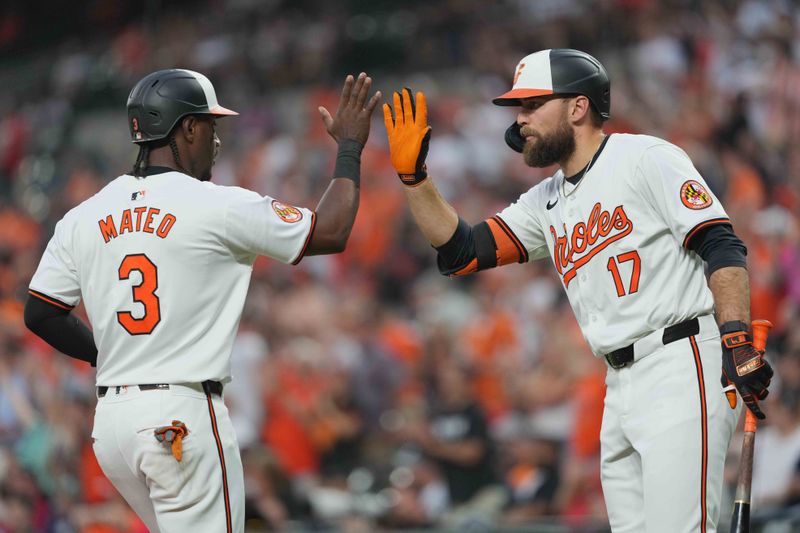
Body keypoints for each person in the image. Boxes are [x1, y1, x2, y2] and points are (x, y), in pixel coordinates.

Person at [383, 48, 774, 532]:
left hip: (681, 359)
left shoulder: (645, 157)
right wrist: (414, 180)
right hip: (618, 381)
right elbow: (462, 252)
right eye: (518, 109)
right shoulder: (545, 199)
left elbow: (721, 245)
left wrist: (735, 336)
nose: (520, 119)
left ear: (577, 107)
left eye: (531, 105)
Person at [23, 68, 381, 532]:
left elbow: (41, 311)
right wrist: (350, 148)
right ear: (188, 128)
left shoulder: (83, 215)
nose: (216, 138)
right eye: (211, 125)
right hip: (181, 415)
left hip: (113, 424)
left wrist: (109, 355)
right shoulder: (216, 204)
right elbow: (331, 231)